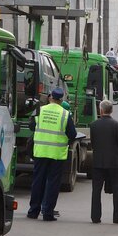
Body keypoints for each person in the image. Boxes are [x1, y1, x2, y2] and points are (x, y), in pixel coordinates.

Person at [27, 88, 76, 221]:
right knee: (52, 183)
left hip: (40, 151)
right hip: (56, 154)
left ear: (50, 97)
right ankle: (48, 213)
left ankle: (33, 211)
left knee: (38, 181)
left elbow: (31, 126)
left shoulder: (40, 110)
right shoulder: (65, 114)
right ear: (61, 100)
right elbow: (73, 134)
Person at [89, 100, 118, 225]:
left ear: (101, 110)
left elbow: (93, 143)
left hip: (98, 162)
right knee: (117, 190)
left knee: (96, 190)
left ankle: (95, 216)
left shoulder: (94, 125)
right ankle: (117, 216)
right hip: (114, 163)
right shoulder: (117, 125)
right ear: (111, 110)